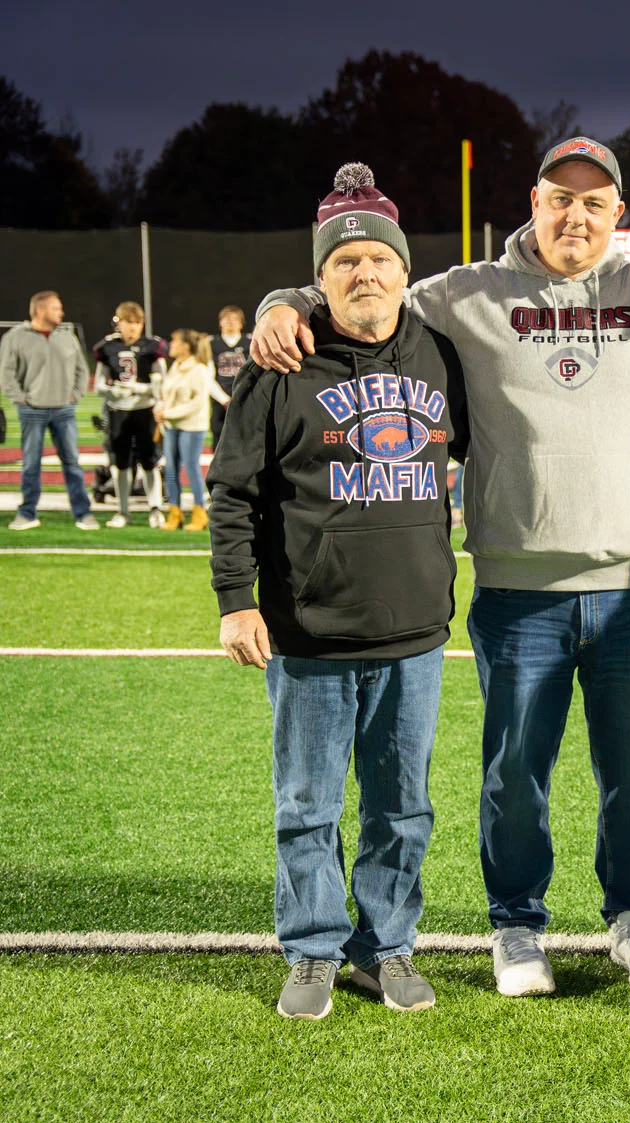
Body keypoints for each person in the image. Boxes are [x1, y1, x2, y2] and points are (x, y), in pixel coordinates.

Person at [249, 137, 630, 998]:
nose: (575, 215)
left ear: (619, 213)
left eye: (594, 202)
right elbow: (368, 290)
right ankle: (515, 922)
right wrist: (287, 298)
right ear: (532, 203)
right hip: (518, 587)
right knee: (515, 774)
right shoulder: (463, 293)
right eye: (558, 198)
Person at [209, 163, 468, 1020]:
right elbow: (233, 491)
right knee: (307, 806)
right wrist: (234, 598)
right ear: (320, 279)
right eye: (344, 261)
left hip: (415, 634)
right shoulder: (280, 361)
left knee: (403, 809)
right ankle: (313, 947)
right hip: (310, 633)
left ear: (404, 269)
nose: (365, 273)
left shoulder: (439, 351)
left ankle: (385, 946)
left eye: (378, 259)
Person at [0, 291, 97, 530]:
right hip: (32, 410)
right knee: (31, 463)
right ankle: (27, 513)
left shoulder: (67, 336)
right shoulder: (15, 337)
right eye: (56, 308)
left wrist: (75, 395)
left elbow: (81, 370)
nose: (61, 312)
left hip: (64, 409)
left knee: (72, 463)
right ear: (40, 310)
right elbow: (7, 374)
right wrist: (21, 400)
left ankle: (83, 513)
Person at [93, 301, 167, 528]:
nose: (134, 328)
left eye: (137, 323)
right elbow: (98, 385)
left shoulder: (152, 347)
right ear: (119, 323)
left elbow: (163, 383)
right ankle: (122, 510)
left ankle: (155, 508)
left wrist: (142, 388)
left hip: (144, 411)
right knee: (121, 463)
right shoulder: (108, 347)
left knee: (150, 462)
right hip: (118, 411)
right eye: (129, 323)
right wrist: (112, 390)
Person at [155, 329, 214, 530]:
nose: (170, 345)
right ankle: (175, 514)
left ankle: (200, 514)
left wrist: (168, 414)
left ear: (186, 346)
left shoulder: (198, 369)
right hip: (172, 426)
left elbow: (197, 404)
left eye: (174, 341)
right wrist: (160, 408)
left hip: (191, 427)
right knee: (171, 470)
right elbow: (167, 394)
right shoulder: (176, 367)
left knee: (191, 468)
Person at [208, 305, 248, 450]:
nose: (231, 322)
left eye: (235, 319)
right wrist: (224, 399)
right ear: (220, 322)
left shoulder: (250, 342)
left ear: (241, 323)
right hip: (220, 399)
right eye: (227, 319)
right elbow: (207, 377)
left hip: (245, 397)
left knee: (247, 438)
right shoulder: (211, 344)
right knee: (219, 439)